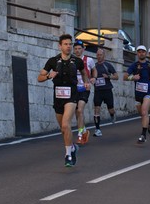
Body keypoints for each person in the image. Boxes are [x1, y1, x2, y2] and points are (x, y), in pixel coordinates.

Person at [38, 34, 88, 167]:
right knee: (63, 129)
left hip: (72, 96)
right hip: (58, 97)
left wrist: (86, 82)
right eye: (66, 44)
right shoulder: (53, 61)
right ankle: (71, 147)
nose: (69, 47)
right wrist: (49, 75)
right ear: (60, 46)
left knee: (66, 125)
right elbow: (40, 77)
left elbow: (83, 73)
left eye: (70, 44)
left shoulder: (77, 61)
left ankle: (68, 155)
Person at [126, 45, 150, 144]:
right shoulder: (134, 65)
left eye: (143, 52)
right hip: (138, 93)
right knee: (142, 114)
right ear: (137, 53)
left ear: (146, 53)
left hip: (148, 92)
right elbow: (124, 76)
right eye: (139, 52)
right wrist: (132, 78)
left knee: (144, 112)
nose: (141, 53)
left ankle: (143, 135)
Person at [92, 48, 118, 137]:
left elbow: (116, 76)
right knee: (96, 109)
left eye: (100, 55)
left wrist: (109, 76)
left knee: (110, 109)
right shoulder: (94, 66)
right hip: (98, 91)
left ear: (104, 56)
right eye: (97, 55)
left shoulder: (107, 65)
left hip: (107, 90)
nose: (99, 56)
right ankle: (97, 129)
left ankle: (112, 114)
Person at [73, 40, 95, 145]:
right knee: (77, 112)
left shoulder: (88, 60)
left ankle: (80, 135)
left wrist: (94, 78)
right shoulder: (71, 60)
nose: (77, 51)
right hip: (74, 89)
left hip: (84, 88)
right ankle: (85, 131)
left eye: (79, 48)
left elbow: (94, 70)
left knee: (80, 110)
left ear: (83, 49)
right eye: (76, 48)